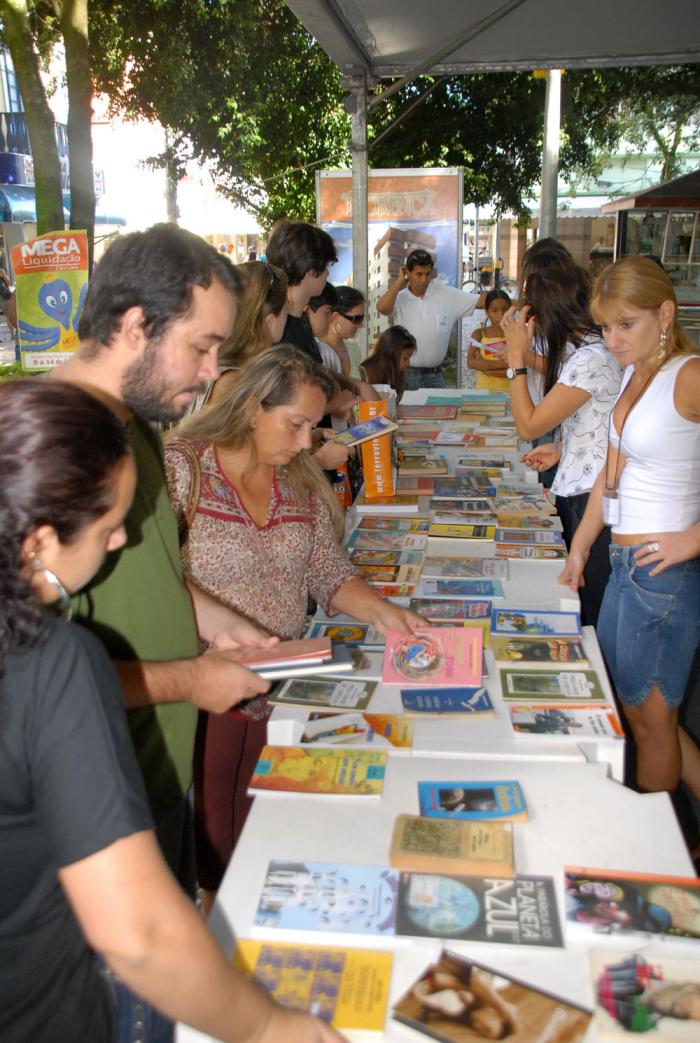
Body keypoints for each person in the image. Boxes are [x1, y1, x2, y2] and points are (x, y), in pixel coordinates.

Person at [0, 379, 341, 1043]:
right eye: (108, 525)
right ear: (40, 542)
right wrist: (269, 1025)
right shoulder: (51, 662)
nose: (124, 538)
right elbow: (139, 930)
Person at [56, 225, 277, 895]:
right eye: (202, 347)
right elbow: (36, 676)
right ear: (133, 327)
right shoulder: (49, 454)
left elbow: (155, 570)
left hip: (160, 771)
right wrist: (190, 681)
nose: (214, 371)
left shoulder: (137, 420)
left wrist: (217, 624)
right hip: (94, 803)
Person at [164, 344, 425, 903]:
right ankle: (218, 927)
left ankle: (236, 921)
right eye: (297, 424)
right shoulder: (184, 467)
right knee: (208, 835)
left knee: (259, 824)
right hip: (200, 689)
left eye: (314, 425)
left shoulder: (299, 478)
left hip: (277, 689)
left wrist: (381, 610)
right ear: (254, 409)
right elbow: (155, 577)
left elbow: (326, 568)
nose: (308, 440)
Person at [560, 256, 700, 798]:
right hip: (627, 567)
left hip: (662, 575)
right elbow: (608, 474)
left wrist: (692, 538)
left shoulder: (687, 375)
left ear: (665, 314)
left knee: (651, 724)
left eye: (627, 324)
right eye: (605, 327)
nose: (613, 339)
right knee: (644, 717)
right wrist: (581, 546)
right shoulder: (637, 375)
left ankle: (655, 847)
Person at [501, 267, 623, 626]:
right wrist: (562, 448)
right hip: (590, 485)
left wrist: (515, 359)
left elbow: (528, 425)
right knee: (584, 595)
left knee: (590, 604)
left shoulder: (592, 357)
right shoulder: (590, 349)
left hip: (595, 497)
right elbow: (596, 420)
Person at [377, 247, 485, 390]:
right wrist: (398, 283)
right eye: (418, 274)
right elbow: (382, 308)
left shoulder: (446, 294)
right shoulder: (399, 297)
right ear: (407, 273)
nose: (423, 280)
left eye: (427, 274)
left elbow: (481, 301)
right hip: (404, 374)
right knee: (403, 412)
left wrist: (515, 303)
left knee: (442, 412)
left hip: (435, 375)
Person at [202, 259, 289, 409]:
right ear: (269, 321)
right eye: (286, 310)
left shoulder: (214, 368)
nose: (288, 316)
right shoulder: (232, 383)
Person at [467, 288, 511, 392]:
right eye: (494, 311)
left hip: (511, 392)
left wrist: (486, 368)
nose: (500, 315)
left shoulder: (516, 334)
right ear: (487, 312)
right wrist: (504, 364)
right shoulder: (479, 335)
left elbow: (519, 368)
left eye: (505, 310)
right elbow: (471, 363)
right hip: (484, 392)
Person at [359, 324, 417, 400]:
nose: (408, 363)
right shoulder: (363, 374)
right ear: (390, 354)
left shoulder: (396, 373)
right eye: (405, 358)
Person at [322, 285, 365, 377]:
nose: (361, 325)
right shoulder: (315, 349)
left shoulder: (354, 350)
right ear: (336, 317)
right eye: (357, 318)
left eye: (362, 318)